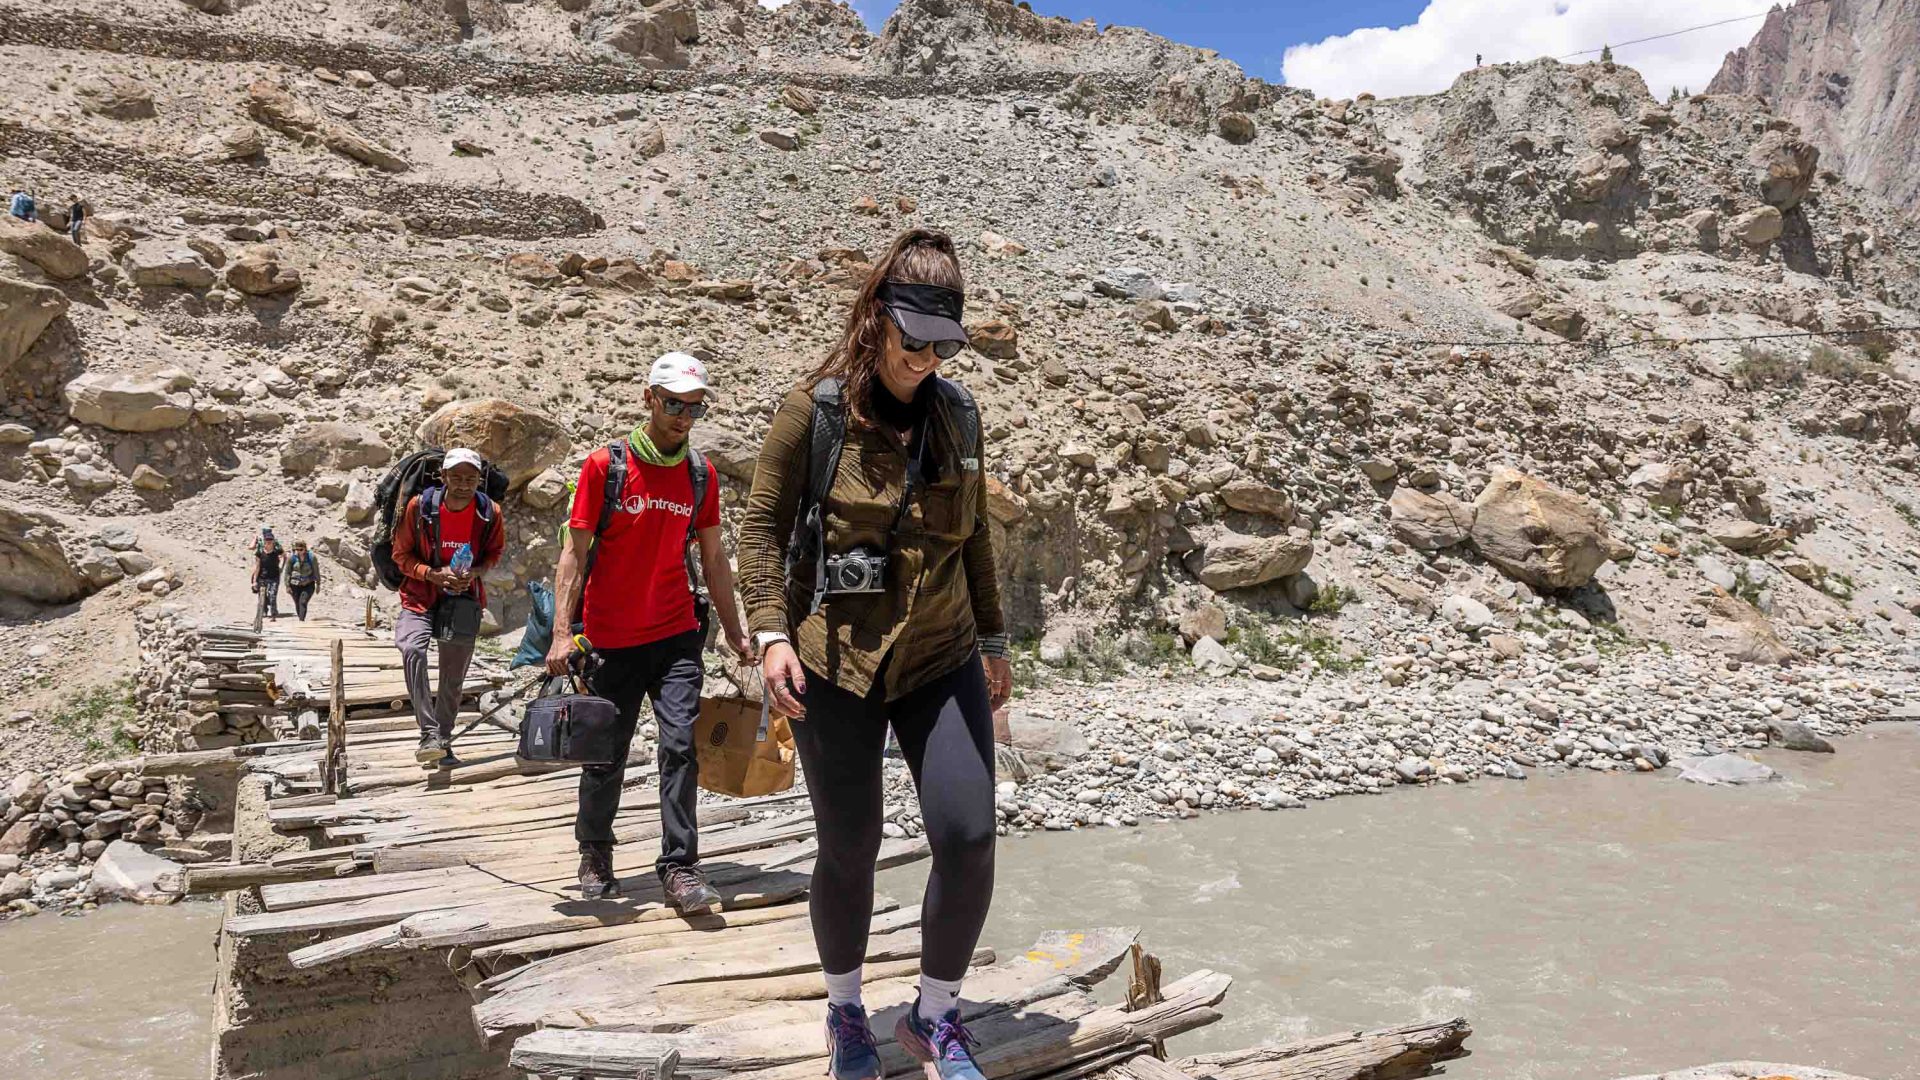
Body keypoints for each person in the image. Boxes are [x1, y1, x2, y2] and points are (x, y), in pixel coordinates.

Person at [736, 229, 1012, 1080]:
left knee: (967, 838)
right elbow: (760, 531)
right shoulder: (812, 413)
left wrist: (996, 643)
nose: (927, 359)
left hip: (941, 656)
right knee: (849, 848)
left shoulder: (959, 416)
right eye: (914, 340)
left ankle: (933, 1016)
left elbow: (973, 545)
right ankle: (847, 1010)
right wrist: (772, 635)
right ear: (875, 321)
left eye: (946, 344)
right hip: (836, 663)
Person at [546, 352, 754, 912]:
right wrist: (562, 634)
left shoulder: (700, 474)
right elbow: (574, 553)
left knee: (681, 745)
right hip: (610, 640)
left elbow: (714, 560)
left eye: (695, 407)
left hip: (675, 634)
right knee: (604, 755)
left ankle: (681, 866)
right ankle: (595, 851)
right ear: (649, 399)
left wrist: (737, 632)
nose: (684, 416)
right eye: (674, 405)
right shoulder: (603, 467)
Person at [393, 448, 505, 766]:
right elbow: (401, 556)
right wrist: (432, 574)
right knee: (411, 648)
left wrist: (474, 574)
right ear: (443, 477)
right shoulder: (420, 508)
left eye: (470, 478)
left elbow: (494, 553)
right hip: (419, 595)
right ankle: (428, 732)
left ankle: (442, 738)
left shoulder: (489, 513)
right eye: (456, 477)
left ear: (479, 480)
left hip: (464, 599)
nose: (463, 484)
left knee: (453, 676)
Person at [251, 528, 284, 620]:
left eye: (270, 540)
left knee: (272, 595)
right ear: (264, 541)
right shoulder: (259, 553)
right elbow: (257, 567)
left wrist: (282, 567)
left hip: (274, 577)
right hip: (262, 577)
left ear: (273, 541)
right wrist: (254, 581)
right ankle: (264, 611)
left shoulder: (277, 551)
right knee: (263, 595)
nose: (268, 542)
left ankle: (273, 614)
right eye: (267, 540)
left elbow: (285, 557)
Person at [285, 539, 320, 622]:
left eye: (301, 549)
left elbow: (316, 571)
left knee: (303, 602)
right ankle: (300, 618)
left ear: (305, 549)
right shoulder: (292, 558)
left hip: (308, 584)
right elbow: (287, 573)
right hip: (294, 585)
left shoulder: (311, 558)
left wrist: (318, 584)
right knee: (297, 603)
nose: (299, 552)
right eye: (297, 549)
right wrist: (287, 585)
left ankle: (301, 621)